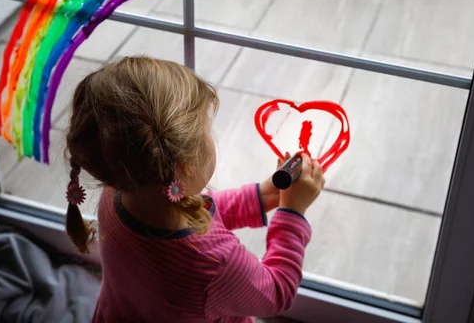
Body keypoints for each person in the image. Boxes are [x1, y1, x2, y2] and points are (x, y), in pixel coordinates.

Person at [64, 56, 325, 322]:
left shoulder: (118, 190)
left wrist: (260, 196)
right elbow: (277, 293)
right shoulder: (215, 265)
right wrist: (293, 213)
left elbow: (189, 209)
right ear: (185, 164)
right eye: (207, 131)